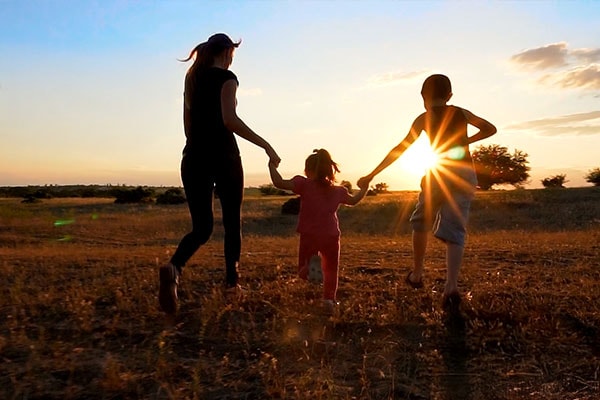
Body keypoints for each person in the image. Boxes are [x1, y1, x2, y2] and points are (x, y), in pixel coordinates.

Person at [159, 33, 281, 316]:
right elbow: (230, 119)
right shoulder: (227, 78)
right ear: (226, 52)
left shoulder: (191, 81)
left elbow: (188, 129)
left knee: (202, 228)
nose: (232, 59)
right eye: (232, 54)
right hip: (224, 156)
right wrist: (266, 145)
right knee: (231, 224)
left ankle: (173, 268)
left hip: (192, 157)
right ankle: (231, 285)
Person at [359, 74, 496, 313]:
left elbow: (399, 150)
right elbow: (490, 129)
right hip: (464, 174)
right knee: (455, 230)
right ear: (450, 96)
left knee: (421, 221)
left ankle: (418, 273)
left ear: (423, 97)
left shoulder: (423, 118)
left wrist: (372, 174)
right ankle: (451, 287)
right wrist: (465, 141)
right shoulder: (461, 113)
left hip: (439, 172)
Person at [269, 149, 369, 315]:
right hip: (331, 235)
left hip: (309, 234)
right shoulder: (339, 191)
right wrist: (364, 188)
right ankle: (329, 300)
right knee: (331, 269)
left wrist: (271, 166)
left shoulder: (303, 184)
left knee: (303, 270)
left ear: (307, 170)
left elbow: (279, 183)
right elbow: (354, 200)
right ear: (330, 170)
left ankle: (310, 267)